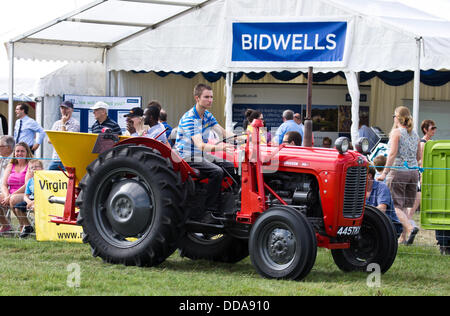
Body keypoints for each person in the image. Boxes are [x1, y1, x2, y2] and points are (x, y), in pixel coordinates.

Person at [175, 83, 235, 222]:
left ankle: (225, 204)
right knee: (217, 172)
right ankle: (209, 211)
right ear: (197, 98)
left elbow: (223, 132)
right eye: (206, 97)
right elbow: (200, 145)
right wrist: (222, 148)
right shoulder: (190, 118)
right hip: (187, 155)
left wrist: (242, 138)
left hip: (199, 154)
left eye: (212, 97)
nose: (210, 100)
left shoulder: (207, 115)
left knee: (231, 167)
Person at [377, 106, 421, 245]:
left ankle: (410, 228)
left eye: (393, 116)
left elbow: (392, 154)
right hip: (413, 173)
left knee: (395, 205)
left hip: (398, 171)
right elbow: (419, 156)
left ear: (398, 118)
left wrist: (384, 173)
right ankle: (403, 238)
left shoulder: (397, 133)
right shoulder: (415, 134)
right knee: (403, 207)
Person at [0, 142, 33, 236]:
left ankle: (24, 226)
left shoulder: (30, 164)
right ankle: (6, 225)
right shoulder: (11, 165)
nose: (19, 153)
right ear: (14, 153)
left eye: (22, 151)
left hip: (25, 193)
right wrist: (6, 195)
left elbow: (27, 185)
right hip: (10, 194)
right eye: (17, 151)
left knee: (13, 199)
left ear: (27, 152)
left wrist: (10, 196)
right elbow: (4, 184)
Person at [366, 165, 403, 238]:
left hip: (389, 226)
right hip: (370, 224)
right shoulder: (357, 189)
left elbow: (382, 209)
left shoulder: (382, 187)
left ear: (369, 176)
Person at [13, 159, 43, 238]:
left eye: (37, 167)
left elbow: (44, 194)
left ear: (42, 168)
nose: (34, 169)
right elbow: (26, 195)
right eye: (32, 168)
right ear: (29, 170)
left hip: (41, 201)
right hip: (30, 200)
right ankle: (27, 226)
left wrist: (34, 202)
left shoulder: (44, 180)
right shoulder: (30, 181)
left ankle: (40, 228)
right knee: (17, 208)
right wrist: (29, 201)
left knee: (35, 208)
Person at [48, 101, 80, 170]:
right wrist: (60, 139)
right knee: (49, 176)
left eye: (66, 108)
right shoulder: (56, 123)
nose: (64, 110)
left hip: (67, 159)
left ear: (72, 110)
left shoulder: (75, 123)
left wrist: (63, 123)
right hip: (56, 157)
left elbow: (65, 139)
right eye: (62, 108)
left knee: (68, 179)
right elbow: (49, 140)